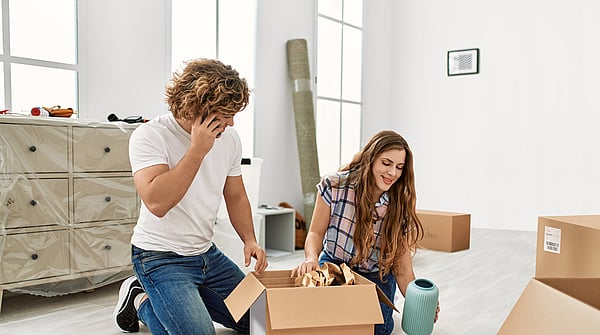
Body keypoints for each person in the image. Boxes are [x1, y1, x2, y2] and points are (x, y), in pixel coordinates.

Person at [113, 58, 268, 335]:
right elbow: (157, 203)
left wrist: (249, 239)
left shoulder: (229, 138)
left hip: (207, 255)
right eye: (225, 113)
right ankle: (142, 302)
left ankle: (183, 299)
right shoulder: (150, 136)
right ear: (199, 107)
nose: (231, 122)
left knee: (261, 321)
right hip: (159, 258)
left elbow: (235, 195)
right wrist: (197, 151)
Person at [291, 130, 439, 335]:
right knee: (316, 316)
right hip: (335, 265)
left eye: (399, 167)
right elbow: (316, 233)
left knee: (376, 329)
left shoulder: (399, 207)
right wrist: (311, 258)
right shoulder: (334, 186)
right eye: (386, 163)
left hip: (375, 276)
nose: (393, 173)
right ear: (370, 158)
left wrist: (420, 301)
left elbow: (403, 271)